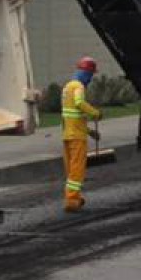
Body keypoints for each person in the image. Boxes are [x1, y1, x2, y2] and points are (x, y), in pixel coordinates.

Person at [60, 56, 101, 213]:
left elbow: (74, 117)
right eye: (91, 75)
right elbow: (79, 103)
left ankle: (74, 197)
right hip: (77, 138)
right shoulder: (79, 87)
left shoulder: (67, 87)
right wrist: (95, 112)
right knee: (77, 170)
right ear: (86, 73)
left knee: (71, 170)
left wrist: (90, 132)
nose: (90, 79)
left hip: (67, 135)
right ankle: (71, 200)